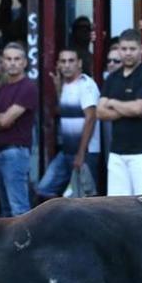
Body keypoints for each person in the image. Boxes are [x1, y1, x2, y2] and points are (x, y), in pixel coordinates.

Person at [97, 29, 142, 196]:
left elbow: (139, 109)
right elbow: (100, 112)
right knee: (117, 206)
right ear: (118, 49)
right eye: (124, 49)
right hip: (117, 151)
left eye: (132, 49)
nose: (128, 53)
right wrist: (128, 108)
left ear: (141, 49)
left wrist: (112, 102)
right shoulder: (112, 77)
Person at [0, 42, 38, 218]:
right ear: (3, 62)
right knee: (6, 211)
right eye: (8, 59)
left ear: (24, 63)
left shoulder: (28, 87)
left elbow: (5, 120)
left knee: (19, 210)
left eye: (17, 59)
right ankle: (11, 246)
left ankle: (26, 246)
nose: (12, 63)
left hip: (15, 154)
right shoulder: (2, 89)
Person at [36, 47, 100, 199]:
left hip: (85, 153)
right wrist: (58, 90)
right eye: (63, 61)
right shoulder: (65, 85)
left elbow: (90, 118)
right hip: (67, 153)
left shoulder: (86, 85)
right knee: (44, 189)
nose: (67, 65)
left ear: (79, 63)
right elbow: (63, 111)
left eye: (71, 61)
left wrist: (81, 153)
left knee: (85, 199)